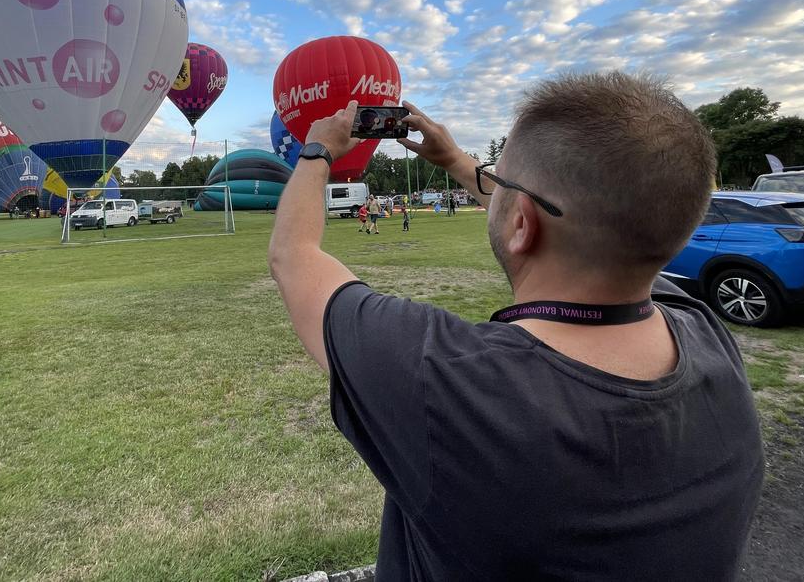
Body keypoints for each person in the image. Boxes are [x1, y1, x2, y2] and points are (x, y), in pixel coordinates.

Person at [268, 74, 763, 581]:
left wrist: (318, 152)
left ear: (522, 222)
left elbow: (294, 257)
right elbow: (581, 227)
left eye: (500, 181)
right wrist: (457, 161)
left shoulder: (449, 380)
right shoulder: (709, 338)